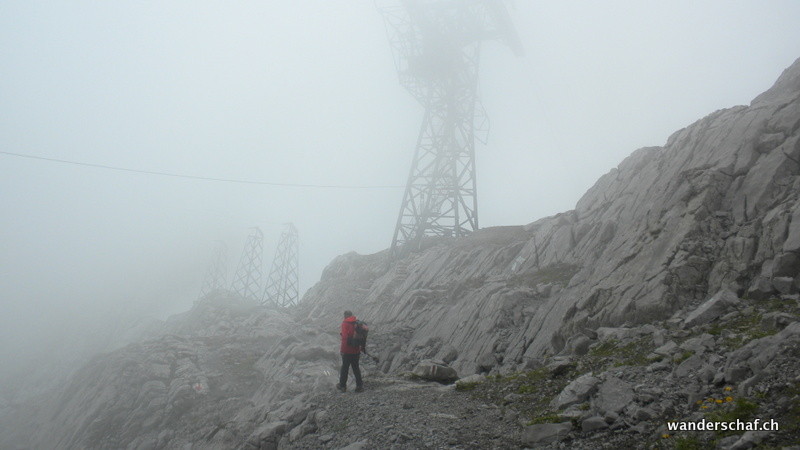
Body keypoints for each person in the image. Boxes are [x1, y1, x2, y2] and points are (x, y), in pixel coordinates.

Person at [338, 310, 363, 392]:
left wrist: (342, 350)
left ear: (345, 315)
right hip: (356, 350)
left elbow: (345, 338)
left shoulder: (345, 323)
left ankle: (342, 386)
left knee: (345, 368)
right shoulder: (357, 323)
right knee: (356, 368)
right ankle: (359, 386)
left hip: (347, 351)